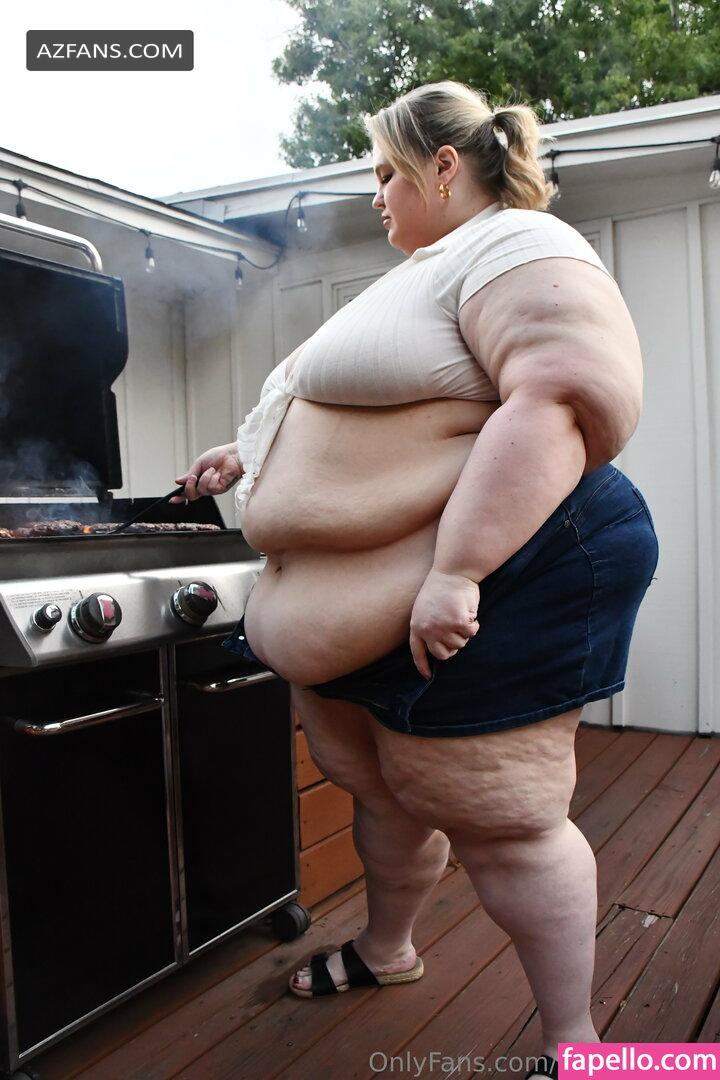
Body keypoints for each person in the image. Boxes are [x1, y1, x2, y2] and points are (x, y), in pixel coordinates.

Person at [174, 81, 659, 1080]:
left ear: (443, 166)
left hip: (500, 577)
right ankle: (386, 948)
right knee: (385, 791)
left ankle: (579, 1046)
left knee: (501, 817)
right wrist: (246, 453)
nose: (376, 196)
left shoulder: (518, 242)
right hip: (376, 611)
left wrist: (459, 571)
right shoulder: (425, 271)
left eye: (387, 173)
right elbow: (362, 414)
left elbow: (560, 393)